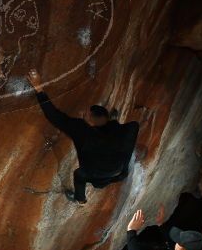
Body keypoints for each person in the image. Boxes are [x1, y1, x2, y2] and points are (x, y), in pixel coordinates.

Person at [27, 69, 138, 204]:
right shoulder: (124, 129)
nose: (83, 114)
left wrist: (39, 88)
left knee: (79, 175)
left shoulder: (82, 130)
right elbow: (132, 128)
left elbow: (55, 117)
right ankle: (93, 189)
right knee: (101, 177)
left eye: (85, 114)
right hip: (118, 172)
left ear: (91, 122)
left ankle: (80, 199)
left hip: (95, 172)